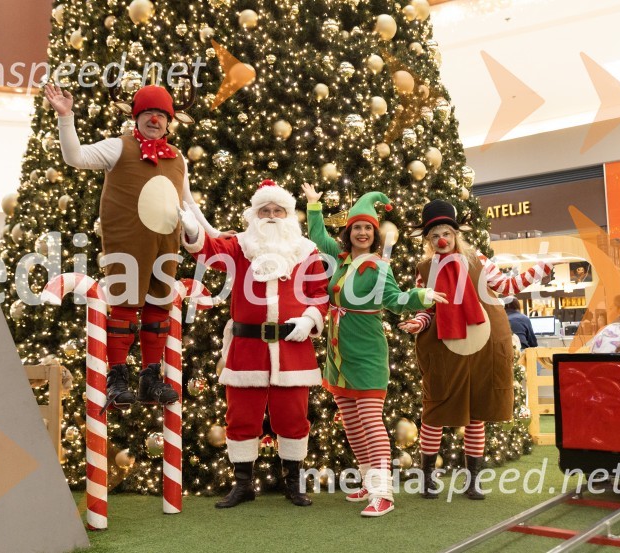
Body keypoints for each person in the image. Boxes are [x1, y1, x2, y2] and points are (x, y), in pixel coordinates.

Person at [45, 83, 228, 411]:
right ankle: (116, 378)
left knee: (159, 308)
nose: (154, 120)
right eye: (148, 113)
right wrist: (66, 117)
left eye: (161, 115)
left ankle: (149, 378)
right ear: (136, 116)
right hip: (127, 242)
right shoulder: (118, 147)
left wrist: (214, 233)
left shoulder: (178, 160)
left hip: (166, 243)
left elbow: (189, 204)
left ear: (169, 121)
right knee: (125, 307)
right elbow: (75, 157)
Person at [179, 179, 329, 509]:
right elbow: (210, 253)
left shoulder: (306, 251)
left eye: (278, 210)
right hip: (247, 348)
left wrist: (308, 321)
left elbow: (320, 294)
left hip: (292, 348)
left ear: (289, 215)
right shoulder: (240, 245)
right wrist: (192, 231)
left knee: (293, 417)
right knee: (241, 416)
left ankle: (293, 484)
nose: (272, 216)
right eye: (265, 210)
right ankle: (243, 485)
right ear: (254, 214)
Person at [302, 183, 446, 517]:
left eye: (369, 227)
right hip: (338, 357)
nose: (363, 232)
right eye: (358, 227)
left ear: (375, 233)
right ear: (349, 232)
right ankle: (369, 480)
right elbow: (318, 235)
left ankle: (384, 493)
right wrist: (313, 206)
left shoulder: (381, 267)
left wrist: (422, 297)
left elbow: (395, 301)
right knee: (351, 422)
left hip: (367, 353)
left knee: (369, 419)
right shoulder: (337, 259)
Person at [399, 199, 554, 501]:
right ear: (428, 241)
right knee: (434, 413)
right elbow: (426, 308)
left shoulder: (478, 260)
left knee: (476, 415)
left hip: (481, 348)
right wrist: (417, 323)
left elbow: (507, 286)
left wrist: (537, 271)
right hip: (444, 349)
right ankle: (428, 478)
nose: (442, 240)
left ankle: (474, 481)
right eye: (434, 235)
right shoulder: (424, 269)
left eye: (447, 233)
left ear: (457, 235)